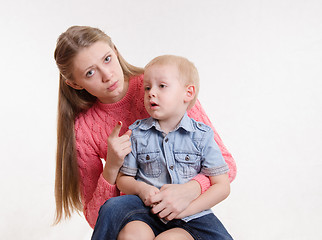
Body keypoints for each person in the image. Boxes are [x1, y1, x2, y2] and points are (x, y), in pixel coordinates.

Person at [53, 26, 236, 238]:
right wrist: (112, 167)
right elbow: (99, 218)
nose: (107, 75)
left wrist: (191, 189)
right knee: (132, 233)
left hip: (189, 212)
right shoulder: (84, 129)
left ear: (116, 51)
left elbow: (226, 165)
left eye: (107, 59)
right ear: (75, 84)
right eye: (90, 73)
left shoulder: (161, 84)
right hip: (139, 210)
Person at [115, 55, 233, 240]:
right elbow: (123, 179)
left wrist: (186, 209)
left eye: (162, 86)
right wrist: (141, 189)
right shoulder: (137, 133)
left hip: (193, 217)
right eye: (147, 87)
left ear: (188, 93)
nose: (151, 93)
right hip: (147, 214)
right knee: (131, 234)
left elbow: (222, 186)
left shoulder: (201, 135)